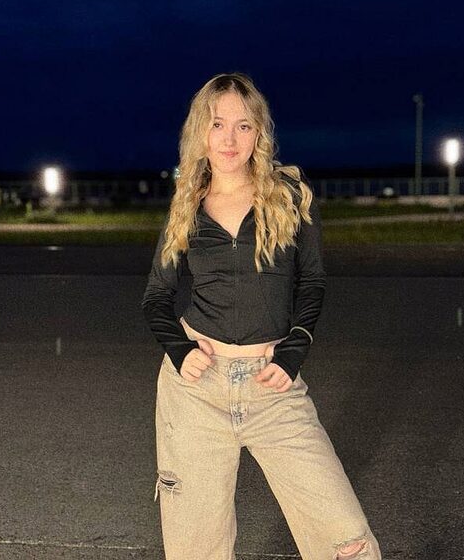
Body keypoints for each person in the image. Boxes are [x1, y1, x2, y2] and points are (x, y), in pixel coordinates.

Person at [141, 73, 381, 560]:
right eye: (217, 124)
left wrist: (294, 351)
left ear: (259, 133)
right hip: (196, 392)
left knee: (347, 542)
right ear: (200, 132)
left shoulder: (289, 194)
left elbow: (311, 280)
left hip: (273, 386)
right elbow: (156, 296)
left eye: (243, 126)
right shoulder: (186, 204)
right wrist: (180, 350)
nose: (229, 139)